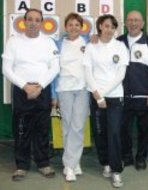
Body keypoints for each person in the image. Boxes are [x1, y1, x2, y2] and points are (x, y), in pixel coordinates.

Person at [2, 8, 59, 181]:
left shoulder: (49, 42)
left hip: (42, 90)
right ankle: (21, 165)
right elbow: (6, 68)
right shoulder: (13, 42)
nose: (33, 23)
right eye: (30, 19)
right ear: (24, 21)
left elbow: (55, 67)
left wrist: (40, 86)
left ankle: (43, 163)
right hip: (21, 91)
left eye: (37, 20)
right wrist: (25, 86)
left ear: (41, 23)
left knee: (42, 129)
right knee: (21, 130)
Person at [83, 14, 129, 188]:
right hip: (95, 96)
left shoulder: (120, 46)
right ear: (100, 26)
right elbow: (87, 71)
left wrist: (103, 94)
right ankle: (106, 163)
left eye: (113, 26)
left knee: (115, 133)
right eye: (106, 25)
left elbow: (121, 74)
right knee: (100, 132)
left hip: (114, 97)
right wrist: (97, 95)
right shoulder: (91, 46)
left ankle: (117, 170)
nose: (109, 29)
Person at [117, 10, 148, 171]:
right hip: (122, 96)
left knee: (145, 130)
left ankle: (141, 157)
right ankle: (127, 156)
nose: (133, 23)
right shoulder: (118, 42)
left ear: (143, 23)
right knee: (124, 129)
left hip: (145, 96)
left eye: (137, 20)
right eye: (130, 20)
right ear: (125, 23)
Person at [51, 13, 89, 182]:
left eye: (77, 25)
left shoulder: (88, 42)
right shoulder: (58, 44)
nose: (74, 27)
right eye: (70, 24)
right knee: (67, 125)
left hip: (82, 89)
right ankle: (70, 165)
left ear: (81, 27)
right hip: (64, 89)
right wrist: (53, 95)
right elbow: (53, 71)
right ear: (65, 27)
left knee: (78, 126)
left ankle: (73, 162)